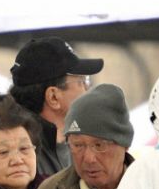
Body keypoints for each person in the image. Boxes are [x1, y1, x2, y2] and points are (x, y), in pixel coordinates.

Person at [10, 36, 103, 177]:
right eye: (82, 81)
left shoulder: (74, 141)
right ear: (53, 97)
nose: (88, 89)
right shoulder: (22, 156)